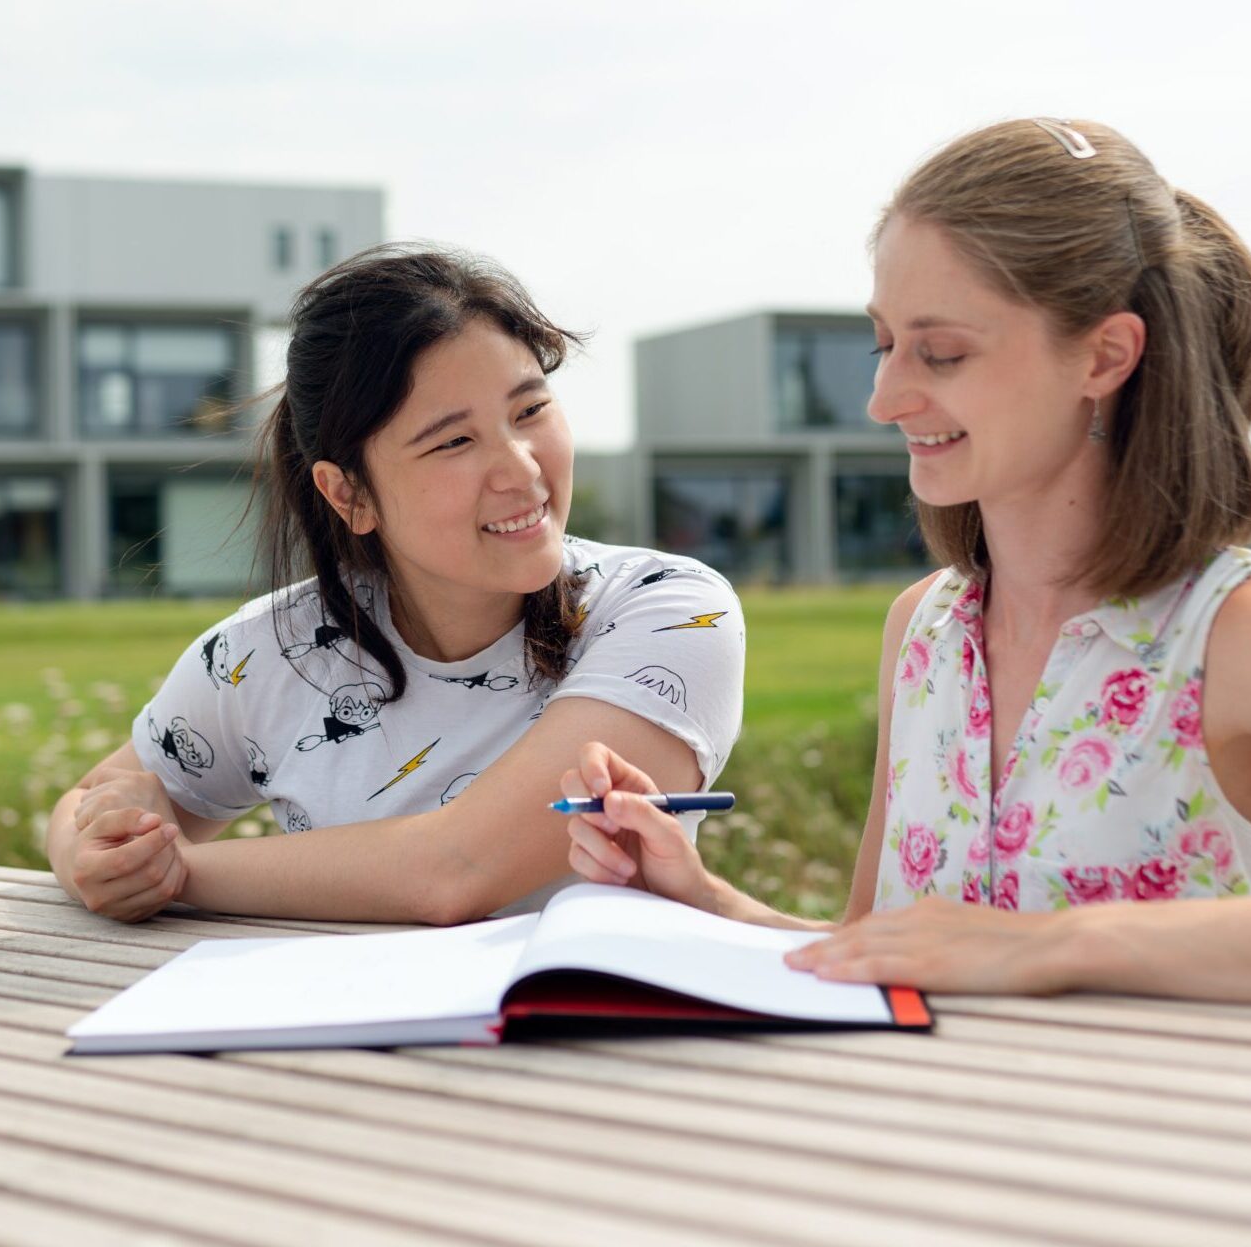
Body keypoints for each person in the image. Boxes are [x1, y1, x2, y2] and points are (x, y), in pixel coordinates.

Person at [563, 118, 1251, 1010]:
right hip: (969, 1180)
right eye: (881, 345)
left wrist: (1059, 947)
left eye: (941, 352)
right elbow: (889, 952)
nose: (883, 397)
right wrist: (699, 896)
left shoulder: (1242, 632)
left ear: (1101, 356)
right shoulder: (921, 632)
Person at [48, 246, 743, 925]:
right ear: (348, 494)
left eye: (530, 411)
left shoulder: (670, 609)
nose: (521, 470)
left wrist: (176, 874)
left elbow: (458, 871)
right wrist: (101, 852)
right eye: (454, 442)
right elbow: (88, 802)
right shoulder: (266, 654)